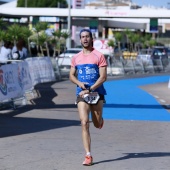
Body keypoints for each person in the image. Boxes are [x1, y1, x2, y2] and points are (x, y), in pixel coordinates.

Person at [69, 29, 107, 166]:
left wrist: (90, 89)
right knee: (84, 122)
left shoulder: (99, 56)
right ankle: (88, 155)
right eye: (82, 37)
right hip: (81, 94)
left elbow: (103, 77)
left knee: (96, 124)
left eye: (87, 36)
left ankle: (100, 120)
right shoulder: (76, 57)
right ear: (80, 39)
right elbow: (71, 75)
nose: (85, 39)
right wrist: (80, 84)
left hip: (96, 93)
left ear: (92, 39)